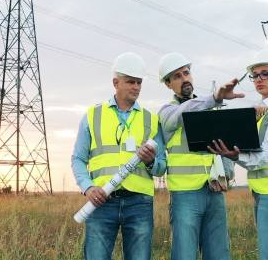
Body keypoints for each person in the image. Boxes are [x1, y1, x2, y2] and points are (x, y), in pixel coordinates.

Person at [71, 52, 167, 260]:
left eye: (139, 82)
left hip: (139, 203)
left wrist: (151, 161)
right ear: (116, 82)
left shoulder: (151, 119)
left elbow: (162, 167)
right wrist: (88, 187)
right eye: (130, 82)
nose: (136, 87)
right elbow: (78, 159)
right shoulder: (93, 115)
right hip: (101, 202)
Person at [209, 50, 268, 260]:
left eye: (265, 74)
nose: (259, 79)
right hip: (267, 194)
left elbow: (267, 155)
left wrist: (235, 157)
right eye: (255, 75)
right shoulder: (265, 112)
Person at [157, 52, 246, 260]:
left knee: (219, 254)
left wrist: (227, 172)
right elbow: (185, 112)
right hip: (185, 195)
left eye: (186, 73)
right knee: (184, 255)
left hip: (214, 192)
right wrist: (215, 98)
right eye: (177, 76)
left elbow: (221, 145)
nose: (184, 78)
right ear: (168, 84)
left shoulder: (209, 107)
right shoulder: (167, 112)